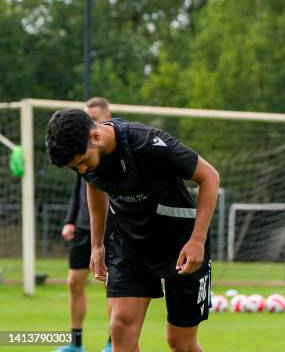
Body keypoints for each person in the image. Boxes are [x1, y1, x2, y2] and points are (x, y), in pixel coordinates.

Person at [46, 108, 219, 352]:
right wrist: (97, 245)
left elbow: (210, 177)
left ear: (95, 137)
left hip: (180, 243)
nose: (82, 170)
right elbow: (94, 187)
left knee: (181, 343)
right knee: (120, 328)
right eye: (76, 167)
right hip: (129, 243)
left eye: (83, 162)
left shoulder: (147, 143)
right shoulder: (84, 159)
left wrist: (197, 240)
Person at [55, 97, 113, 352]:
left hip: (112, 227)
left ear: (106, 117)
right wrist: (70, 220)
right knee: (74, 282)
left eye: (95, 118)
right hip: (83, 227)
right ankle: (76, 344)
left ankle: (113, 343)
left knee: (114, 286)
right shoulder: (81, 154)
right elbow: (80, 190)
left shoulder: (112, 153)